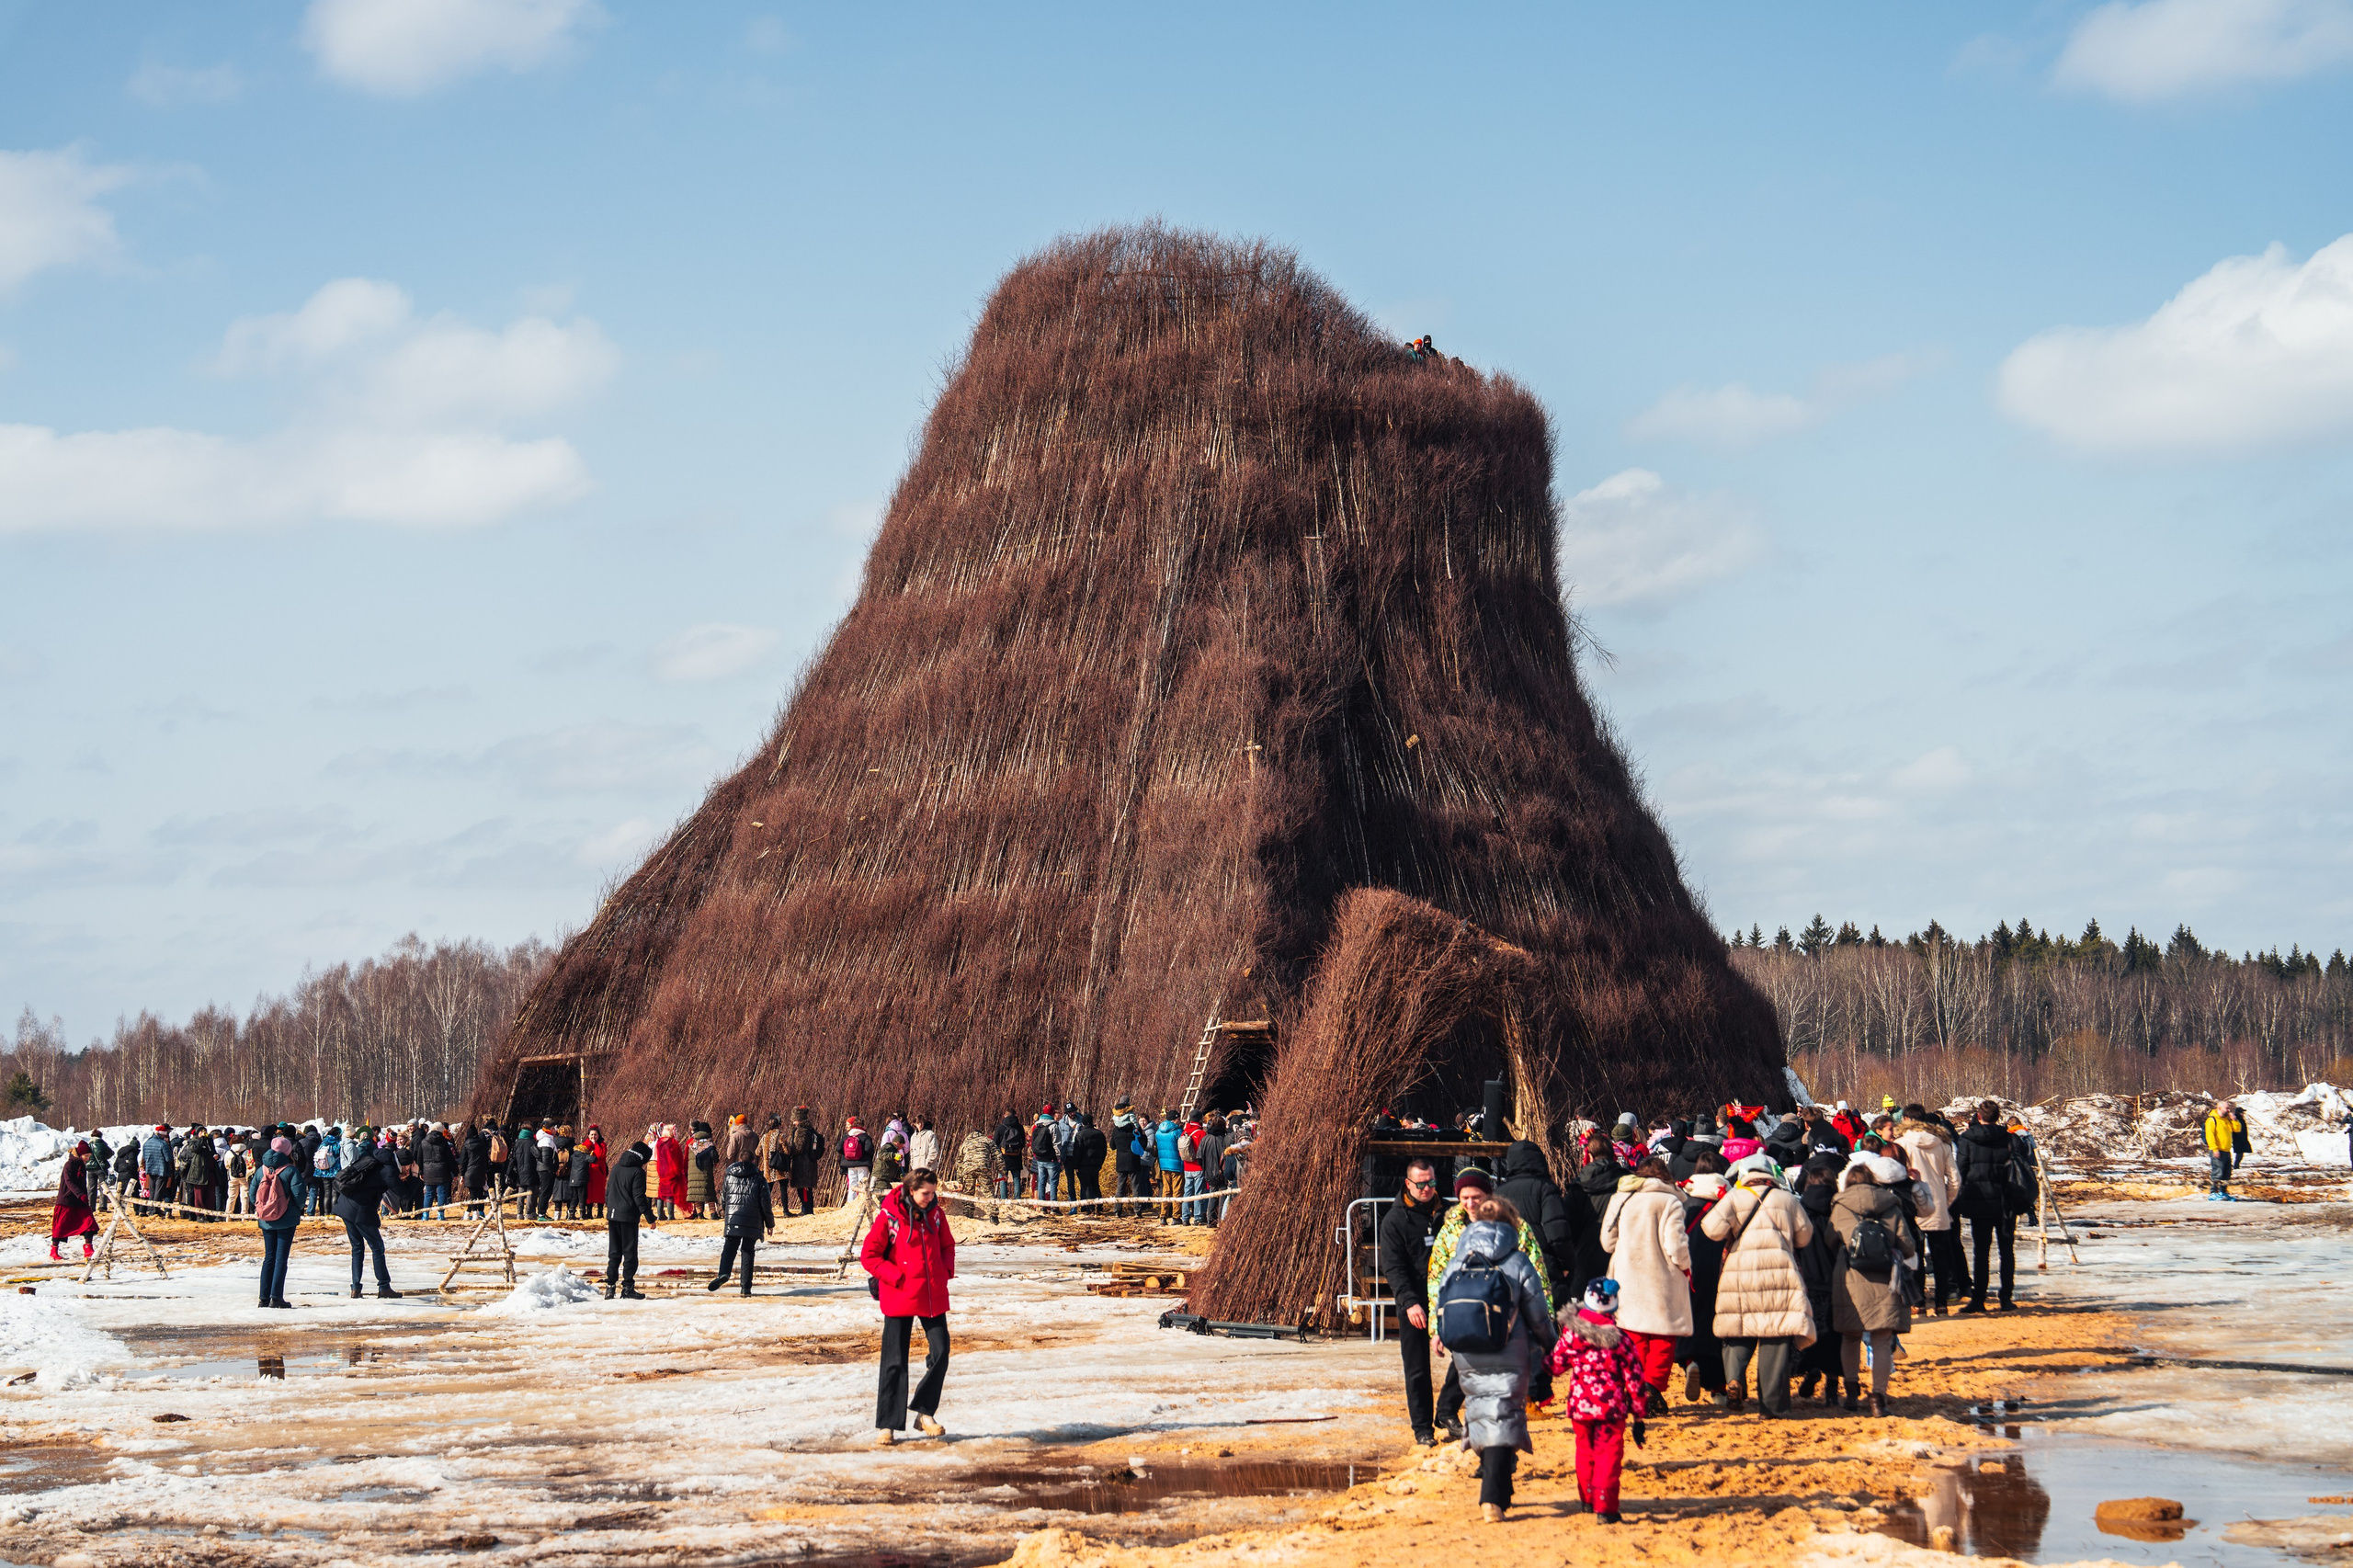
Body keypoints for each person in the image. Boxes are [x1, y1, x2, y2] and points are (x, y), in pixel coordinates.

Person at [1434, 1192, 1557, 1524]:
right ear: (1510, 1223)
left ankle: (1500, 1490)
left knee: (1479, 1410)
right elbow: (1538, 1313)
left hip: (1466, 1350)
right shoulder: (1517, 1261)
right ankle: (1492, 1498)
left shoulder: (1457, 1261)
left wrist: (1442, 1335)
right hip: (1509, 1349)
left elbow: (1442, 1305)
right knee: (1504, 1415)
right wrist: (1550, 1344)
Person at [1703, 1155, 1815, 1418]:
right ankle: (1772, 1406)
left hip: (1739, 1273)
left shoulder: (1734, 1197)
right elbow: (1804, 1236)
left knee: (1737, 1330)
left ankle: (1734, 1378)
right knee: (1775, 1336)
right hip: (1779, 1274)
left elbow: (1711, 1229)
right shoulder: (1786, 1199)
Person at [861, 1166, 955, 1446]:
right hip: (899, 1293)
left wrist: (944, 1272)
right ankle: (887, 1426)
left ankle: (925, 1413)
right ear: (911, 1191)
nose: (930, 1198)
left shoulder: (936, 1215)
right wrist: (896, 1276)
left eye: (933, 1193)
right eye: (926, 1193)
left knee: (941, 1352)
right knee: (894, 1361)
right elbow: (869, 1255)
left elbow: (947, 1246)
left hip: (932, 1294)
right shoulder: (890, 1217)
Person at [1598, 1155, 1690, 1415]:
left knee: (1634, 1333)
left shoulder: (1623, 1198)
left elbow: (1607, 1242)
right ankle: (1651, 1387)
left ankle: (1636, 1387)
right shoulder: (1671, 1201)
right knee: (1663, 1336)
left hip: (1627, 1275)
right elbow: (1676, 1245)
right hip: (1663, 1277)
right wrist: (1685, 1265)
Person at [1551, 1279, 1647, 1525]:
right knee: (1608, 1456)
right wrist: (1639, 1415)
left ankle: (1587, 1499)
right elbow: (1635, 1380)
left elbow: (1555, 1365)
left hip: (1580, 1407)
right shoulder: (1621, 1340)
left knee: (1585, 1452)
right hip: (1610, 1409)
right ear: (1613, 1306)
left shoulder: (1572, 1335)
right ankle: (1605, 1506)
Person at [1831, 1153, 1915, 1415]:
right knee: (1881, 1340)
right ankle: (1878, 1397)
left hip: (1850, 1279)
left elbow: (1829, 1240)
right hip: (1885, 1280)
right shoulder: (1891, 1205)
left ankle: (1851, 1393)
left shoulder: (1840, 1206)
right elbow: (1908, 1246)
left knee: (1850, 1337)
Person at [1377, 1158, 1447, 1445]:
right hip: (1415, 1300)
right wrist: (1408, 1302)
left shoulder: (1447, 1214)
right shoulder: (1395, 1221)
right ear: (1408, 1184)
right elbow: (1393, 1267)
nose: (1427, 1188)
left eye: (1431, 1182)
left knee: (1468, 1355)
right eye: (1421, 1184)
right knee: (1417, 1367)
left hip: (1446, 1299)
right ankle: (1423, 1429)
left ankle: (1447, 1411)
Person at [1893, 1104, 1967, 1313]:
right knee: (1941, 1255)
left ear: (1906, 1119)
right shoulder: (1943, 1144)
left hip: (1913, 1205)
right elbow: (1955, 1179)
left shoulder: (1901, 1144)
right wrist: (1946, 1200)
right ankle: (1941, 1302)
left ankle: (1918, 1302)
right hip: (1938, 1205)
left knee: (1915, 1254)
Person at [1495, 1139, 1585, 1310]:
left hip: (1508, 1270)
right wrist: (1566, 1265)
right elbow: (1557, 1232)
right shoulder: (1546, 1189)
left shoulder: (1498, 1194)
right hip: (1545, 1269)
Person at [1791, 1157, 1848, 1405]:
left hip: (1807, 1282)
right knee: (1836, 1337)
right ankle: (1832, 1388)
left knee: (1809, 1331)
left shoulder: (1799, 1211)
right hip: (1837, 1282)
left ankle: (1811, 1368)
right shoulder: (1839, 1211)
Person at [1954, 1100, 2020, 1310]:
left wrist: (1960, 1196)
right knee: (2006, 1250)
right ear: (1998, 1117)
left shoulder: (1967, 1139)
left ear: (1979, 1117)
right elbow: (2020, 1166)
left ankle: (1979, 1299)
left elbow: (1960, 1170)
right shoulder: (2009, 1138)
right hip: (2005, 1200)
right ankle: (2006, 1298)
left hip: (1979, 1199)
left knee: (1981, 1252)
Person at [334, 1133, 400, 1300]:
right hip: (359, 1210)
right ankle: (384, 1286)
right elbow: (401, 1191)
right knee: (377, 1247)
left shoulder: (368, 1160)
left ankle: (355, 1288)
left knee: (357, 1248)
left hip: (345, 1205)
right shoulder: (386, 1170)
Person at [708, 1132, 774, 1296]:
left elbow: (723, 1198)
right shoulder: (759, 1178)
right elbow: (765, 1203)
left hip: (733, 1218)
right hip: (753, 1220)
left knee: (729, 1247)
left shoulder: (729, 1177)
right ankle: (745, 1287)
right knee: (747, 1250)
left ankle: (724, 1273)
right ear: (753, 1161)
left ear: (738, 1160)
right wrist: (770, 1223)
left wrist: (725, 1215)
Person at [250, 1133, 307, 1309]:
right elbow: (299, 1196)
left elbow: (252, 1194)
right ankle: (276, 1297)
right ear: (288, 1152)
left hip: (265, 1219)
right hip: (286, 1219)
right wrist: (295, 1209)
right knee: (281, 1258)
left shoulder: (262, 1169)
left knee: (269, 1257)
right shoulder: (290, 1171)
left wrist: (262, 1207)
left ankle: (263, 1297)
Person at [604, 1139, 654, 1300]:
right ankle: (627, 1287)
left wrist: (610, 1207)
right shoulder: (638, 1172)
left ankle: (610, 1287)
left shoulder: (616, 1167)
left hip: (613, 1215)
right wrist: (650, 1217)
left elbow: (608, 1190)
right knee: (629, 1253)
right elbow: (639, 1197)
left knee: (614, 1252)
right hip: (628, 1217)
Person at [1572, 1131, 1623, 1288]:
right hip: (1620, 1256)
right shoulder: (1627, 1181)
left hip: (1585, 1258)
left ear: (1590, 1156)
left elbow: (1569, 1225)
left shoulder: (1578, 1186)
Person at [50, 1141, 99, 1262]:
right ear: (80, 1154)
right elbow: (69, 1181)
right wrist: (80, 1194)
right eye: (86, 1156)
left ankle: (88, 1248)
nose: (88, 1158)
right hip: (67, 1199)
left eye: (89, 1156)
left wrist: (83, 1196)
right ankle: (54, 1250)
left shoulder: (82, 1165)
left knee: (89, 1222)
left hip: (80, 1200)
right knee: (60, 1226)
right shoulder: (69, 1165)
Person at [1108, 1099, 1149, 1218]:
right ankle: (1137, 1210)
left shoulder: (1116, 1130)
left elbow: (1112, 1146)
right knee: (1135, 1186)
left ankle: (1117, 1209)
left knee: (1120, 1187)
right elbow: (1143, 1145)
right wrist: (1143, 1137)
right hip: (1133, 1161)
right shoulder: (1135, 1129)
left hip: (1121, 1162)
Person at [785, 1107, 823, 1216]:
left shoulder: (801, 1131)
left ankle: (806, 1210)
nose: (793, 1122)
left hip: (802, 1164)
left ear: (799, 1119)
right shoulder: (811, 1130)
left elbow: (797, 1148)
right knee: (806, 1188)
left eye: (795, 1120)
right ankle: (807, 1209)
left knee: (804, 1188)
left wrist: (788, 1149)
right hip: (810, 1163)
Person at [1067, 1112, 1108, 1208]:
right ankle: (1100, 1206)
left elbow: (1077, 1152)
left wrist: (1076, 1165)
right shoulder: (1100, 1134)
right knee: (1095, 1185)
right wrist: (1100, 1162)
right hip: (1096, 1164)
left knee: (1087, 1186)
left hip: (1083, 1165)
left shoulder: (1080, 1135)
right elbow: (1104, 1150)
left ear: (1083, 1123)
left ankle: (1090, 1208)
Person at [2203, 1100, 2241, 1200]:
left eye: (2229, 1108)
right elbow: (2210, 1136)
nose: (2228, 1110)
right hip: (2217, 1150)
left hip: (2226, 1150)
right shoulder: (2212, 1120)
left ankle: (2223, 1192)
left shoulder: (2227, 1119)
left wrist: (2234, 1120)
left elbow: (2237, 1129)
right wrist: (2214, 1149)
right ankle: (2213, 1192)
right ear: (2219, 1108)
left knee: (2227, 1173)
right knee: (2217, 1172)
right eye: (2226, 1108)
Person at [991, 1109, 1027, 1204]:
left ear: (1005, 1115)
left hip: (1003, 1157)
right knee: (1016, 1179)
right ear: (1015, 1115)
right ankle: (1017, 1200)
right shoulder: (1019, 1127)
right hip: (1016, 1156)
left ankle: (1004, 1200)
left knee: (1003, 1179)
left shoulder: (1001, 1127)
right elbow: (1023, 1142)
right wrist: (1017, 1150)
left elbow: (995, 1143)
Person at [1153, 1108, 1183, 1220]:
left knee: (1166, 1190)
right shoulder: (1178, 1132)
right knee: (1177, 1191)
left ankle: (1163, 1215)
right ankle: (1176, 1216)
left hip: (1164, 1165)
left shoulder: (1158, 1132)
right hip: (1176, 1165)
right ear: (1175, 1119)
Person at [685, 1122, 718, 1219]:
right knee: (709, 1192)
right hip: (705, 1172)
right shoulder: (709, 1143)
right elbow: (715, 1157)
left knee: (697, 1194)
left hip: (693, 1174)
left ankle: (700, 1214)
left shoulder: (691, 1143)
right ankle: (713, 1214)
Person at [839, 1115, 874, 1206]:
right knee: (862, 1185)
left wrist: (848, 1154)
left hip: (849, 1164)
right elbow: (869, 1149)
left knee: (852, 1185)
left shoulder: (847, 1136)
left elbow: (838, 1148)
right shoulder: (865, 1136)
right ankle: (861, 1205)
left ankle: (850, 1204)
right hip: (862, 1164)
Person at [1029, 1108, 1061, 1206]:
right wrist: (1058, 1156)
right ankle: (1053, 1207)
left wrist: (1036, 1155)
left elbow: (1032, 1141)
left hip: (1039, 1158)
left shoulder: (1036, 1125)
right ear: (1052, 1114)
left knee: (1041, 1182)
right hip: (1051, 1159)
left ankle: (1042, 1206)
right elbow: (1056, 1143)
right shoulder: (1053, 1125)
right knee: (1053, 1183)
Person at [654, 1123, 687, 1219]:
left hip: (661, 1170)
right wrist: (678, 1170)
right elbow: (677, 1158)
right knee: (669, 1193)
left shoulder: (659, 1142)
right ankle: (671, 1215)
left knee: (661, 1192)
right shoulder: (673, 1143)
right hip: (670, 1170)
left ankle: (660, 1215)